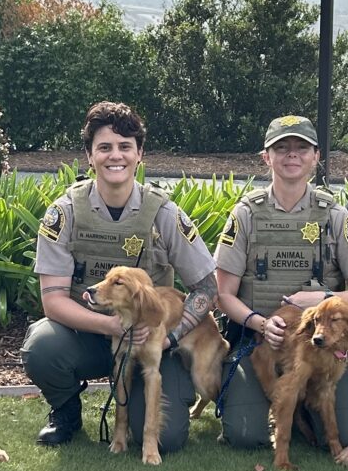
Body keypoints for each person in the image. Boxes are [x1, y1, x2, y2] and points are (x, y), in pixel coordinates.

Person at [20, 101, 217, 450]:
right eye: (105, 147)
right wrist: (112, 327)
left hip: (148, 339)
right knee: (42, 347)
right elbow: (52, 301)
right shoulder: (64, 212)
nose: (116, 156)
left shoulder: (164, 213)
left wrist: (171, 337)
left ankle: (167, 397)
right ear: (89, 155)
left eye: (126, 146)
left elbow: (206, 287)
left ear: (140, 154)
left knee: (167, 440)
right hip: (88, 333)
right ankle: (65, 410)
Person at [213, 115, 348, 451]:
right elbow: (222, 294)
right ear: (267, 157)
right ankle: (277, 406)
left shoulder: (334, 216)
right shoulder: (245, 214)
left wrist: (324, 298)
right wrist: (259, 323)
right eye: (282, 148)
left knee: (347, 433)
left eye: (301, 148)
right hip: (261, 344)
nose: (292, 155)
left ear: (316, 156)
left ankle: (305, 408)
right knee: (246, 436)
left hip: (324, 350)